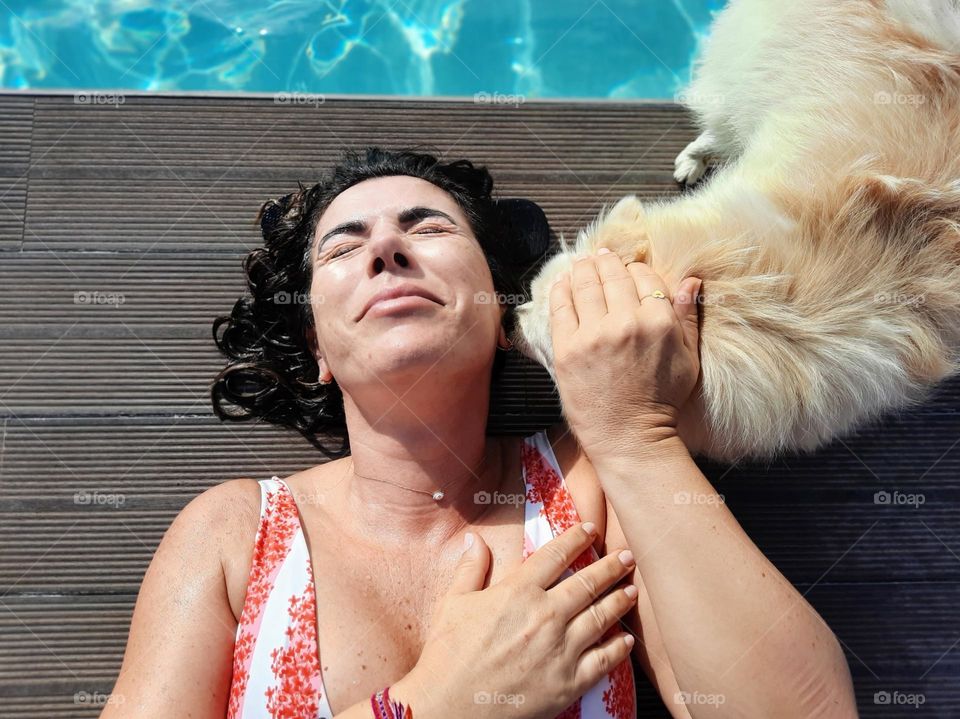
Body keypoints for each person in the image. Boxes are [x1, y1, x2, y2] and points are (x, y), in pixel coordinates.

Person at [101, 148, 858, 718]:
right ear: (317, 348)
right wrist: (435, 701)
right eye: (343, 247)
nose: (385, 250)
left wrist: (637, 437)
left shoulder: (590, 489)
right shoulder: (235, 533)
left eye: (427, 227)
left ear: (502, 316)